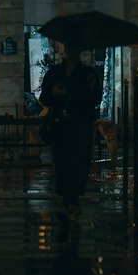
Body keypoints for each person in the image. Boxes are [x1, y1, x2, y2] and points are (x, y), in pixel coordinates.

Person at [39, 41, 102, 224]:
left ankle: (71, 199)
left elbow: (95, 98)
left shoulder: (88, 74)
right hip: (60, 125)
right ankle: (68, 200)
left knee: (79, 161)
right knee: (62, 161)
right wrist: (54, 93)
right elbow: (45, 97)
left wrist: (78, 96)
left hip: (81, 125)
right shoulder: (55, 73)